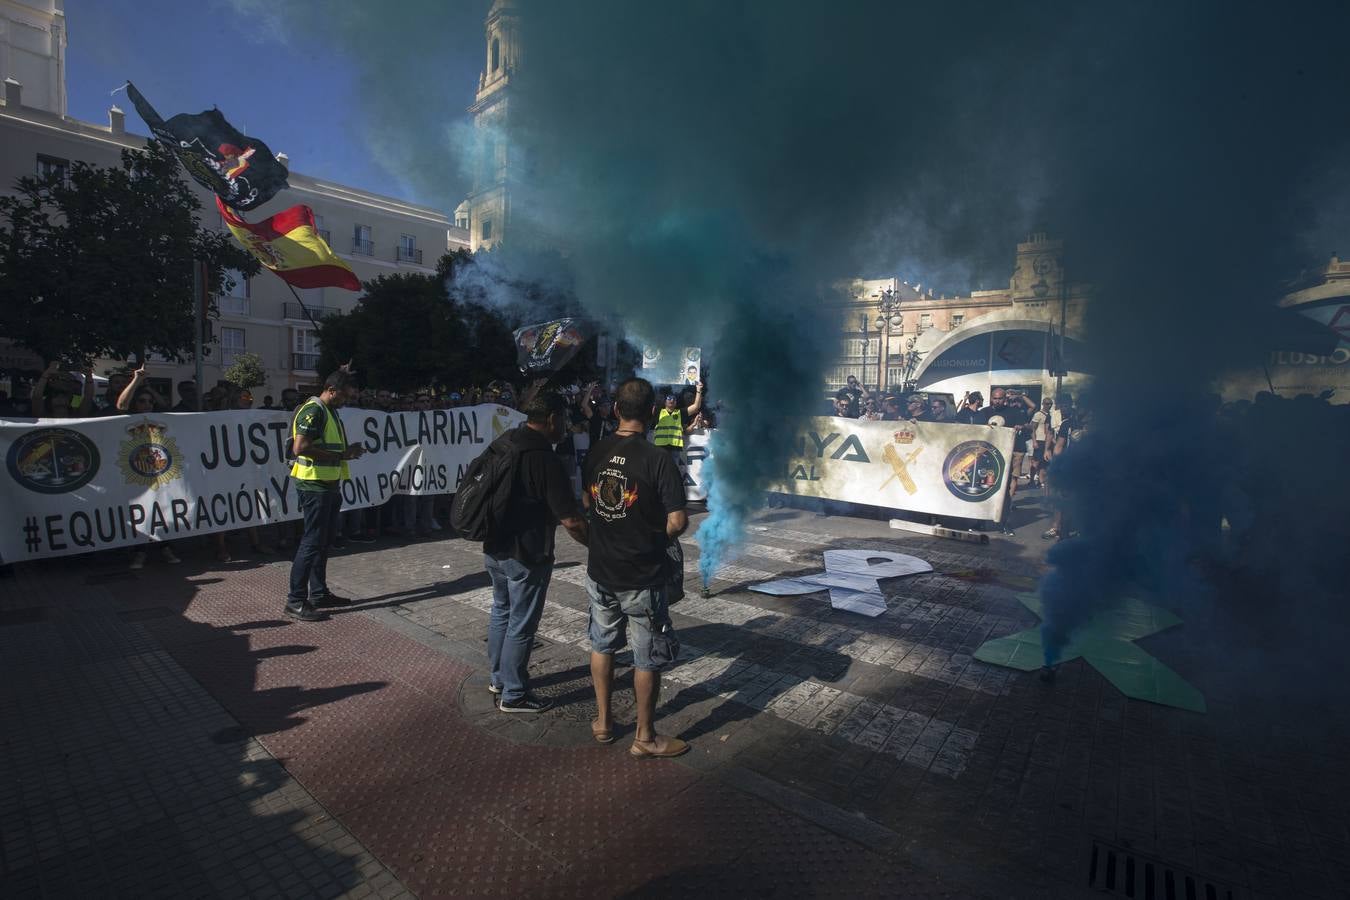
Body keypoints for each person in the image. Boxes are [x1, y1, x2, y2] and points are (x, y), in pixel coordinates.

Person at [582, 377, 689, 758]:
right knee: (646, 656)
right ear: (651, 414)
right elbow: (677, 521)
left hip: (601, 569)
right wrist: (650, 533)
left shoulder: (596, 451)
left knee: (602, 643)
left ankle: (603, 722)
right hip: (643, 573)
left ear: (615, 411)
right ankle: (644, 737)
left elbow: (587, 502)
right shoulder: (658, 458)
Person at [482, 392, 589, 712]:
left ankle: (498, 678)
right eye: (565, 420)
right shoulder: (543, 457)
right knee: (521, 623)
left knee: (501, 610)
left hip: (494, 546)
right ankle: (514, 694)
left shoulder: (507, 441)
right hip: (526, 552)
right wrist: (596, 545)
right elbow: (570, 519)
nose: (567, 427)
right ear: (553, 418)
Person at [286, 370, 366, 622]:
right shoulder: (315, 410)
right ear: (331, 390)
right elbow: (300, 447)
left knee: (323, 541)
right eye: (344, 395)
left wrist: (346, 452)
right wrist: (342, 455)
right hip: (314, 485)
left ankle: (319, 593)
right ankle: (295, 600)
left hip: (329, 485)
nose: (346, 401)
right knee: (312, 542)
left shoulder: (330, 411)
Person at [652, 381, 704, 452]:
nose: (672, 400)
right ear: (665, 402)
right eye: (669, 398)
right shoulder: (658, 412)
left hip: (675, 450)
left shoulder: (680, 413)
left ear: (676, 403)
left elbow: (696, 407)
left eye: (674, 399)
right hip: (660, 449)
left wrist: (699, 390)